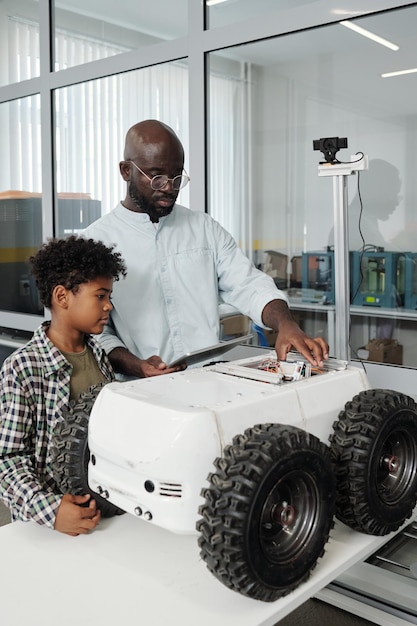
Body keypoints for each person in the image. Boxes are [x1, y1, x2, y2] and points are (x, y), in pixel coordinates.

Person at [84, 119, 329, 379]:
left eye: (177, 177)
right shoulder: (96, 241)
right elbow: (96, 332)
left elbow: (248, 284)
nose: (169, 187)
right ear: (125, 171)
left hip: (209, 380)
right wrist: (136, 365)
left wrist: (286, 323)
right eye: (156, 177)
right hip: (139, 389)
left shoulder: (203, 228)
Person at [0, 236, 127, 536]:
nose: (109, 306)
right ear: (62, 296)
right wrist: (52, 509)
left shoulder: (99, 355)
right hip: (45, 525)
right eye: (100, 296)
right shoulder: (23, 368)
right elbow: (7, 462)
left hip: (101, 514)